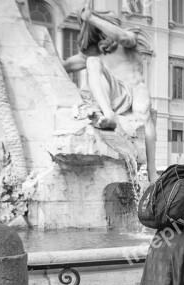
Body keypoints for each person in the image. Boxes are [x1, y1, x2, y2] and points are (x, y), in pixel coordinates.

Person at [63, 1, 157, 181]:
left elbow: (121, 36)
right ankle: (109, 115)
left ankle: (152, 169)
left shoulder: (129, 40)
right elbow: (65, 65)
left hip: (132, 93)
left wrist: (91, 17)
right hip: (112, 99)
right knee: (92, 62)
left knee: (144, 109)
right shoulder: (94, 54)